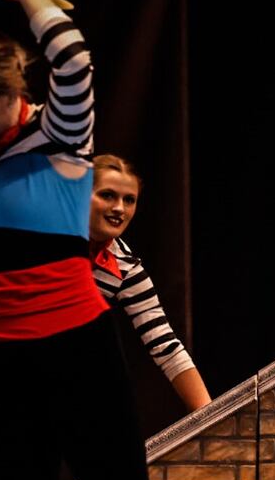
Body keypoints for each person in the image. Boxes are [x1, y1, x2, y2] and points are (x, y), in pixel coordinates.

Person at [0, 0, 181, 480]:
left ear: (9, 95)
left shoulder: (58, 132)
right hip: (3, 364)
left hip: (77, 350)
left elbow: (72, 57)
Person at [88, 153, 212, 412]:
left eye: (129, 200)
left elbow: (165, 345)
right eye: (107, 195)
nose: (119, 208)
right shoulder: (46, 234)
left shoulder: (125, 267)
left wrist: (210, 418)